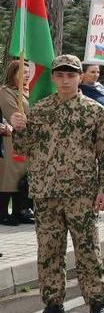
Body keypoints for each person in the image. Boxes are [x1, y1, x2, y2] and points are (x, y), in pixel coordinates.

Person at [11, 55, 104, 313]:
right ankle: (53, 305)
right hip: (46, 193)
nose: (65, 80)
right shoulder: (39, 109)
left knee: (88, 250)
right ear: (53, 78)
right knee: (48, 251)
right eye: (60, 75)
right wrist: (19, 128)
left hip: (81, 193)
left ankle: (97, 303)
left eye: (71, 75)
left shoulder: (94, 111)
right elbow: (22, 148)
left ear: (80, 77)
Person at [0, 59, 33, 227]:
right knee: (10, 177)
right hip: (10, 141)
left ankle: (19, 212)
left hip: (25, 141)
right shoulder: (6, 91)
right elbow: (12, 114)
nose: (27, 75)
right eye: (23, 72)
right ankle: (2, 213)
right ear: (13, 74)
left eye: (28, 73)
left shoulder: (28, 93)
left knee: (21, 175)